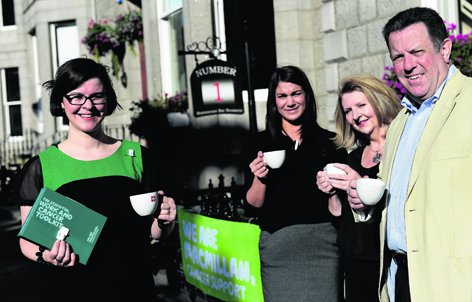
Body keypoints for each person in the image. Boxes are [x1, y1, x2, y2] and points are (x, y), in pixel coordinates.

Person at [13, 57, 176, 301]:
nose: (87, 106)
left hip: (133, 289)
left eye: (97, 96)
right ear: (61, 102)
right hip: (69, 291)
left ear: (107, 100)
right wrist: (46, 255)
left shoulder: (138, 157)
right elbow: (28, 240)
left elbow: (155, 233)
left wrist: (165, 222)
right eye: (76, 96)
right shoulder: (42, 166)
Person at [346, 7, 472, 302]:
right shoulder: (401, 120)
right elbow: (397, 200)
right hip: (398, 280)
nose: (408, 65)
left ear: (445, 49)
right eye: (398, 57)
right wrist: (363, 204)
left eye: (417, 51)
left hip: (454, 285)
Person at [244, 65, 347, 301]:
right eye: (282, 96)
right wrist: (260, 177)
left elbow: (341, 207)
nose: (289, 102)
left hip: (325, 247)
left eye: (296, 93)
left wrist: (332, 190)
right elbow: (252, 205)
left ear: (307, 96)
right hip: (279, 248)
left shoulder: (331, 143)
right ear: (274, 101)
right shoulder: (258, 144)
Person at [316, 74, 400, 302]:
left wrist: (359, 183)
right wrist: (332, 193)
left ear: (379, 100)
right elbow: (341, 221)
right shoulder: (351, 158)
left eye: (362, 105)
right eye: (348, 111)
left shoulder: (401, 147)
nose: (355, 116)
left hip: (392, 265)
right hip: (355, 269)